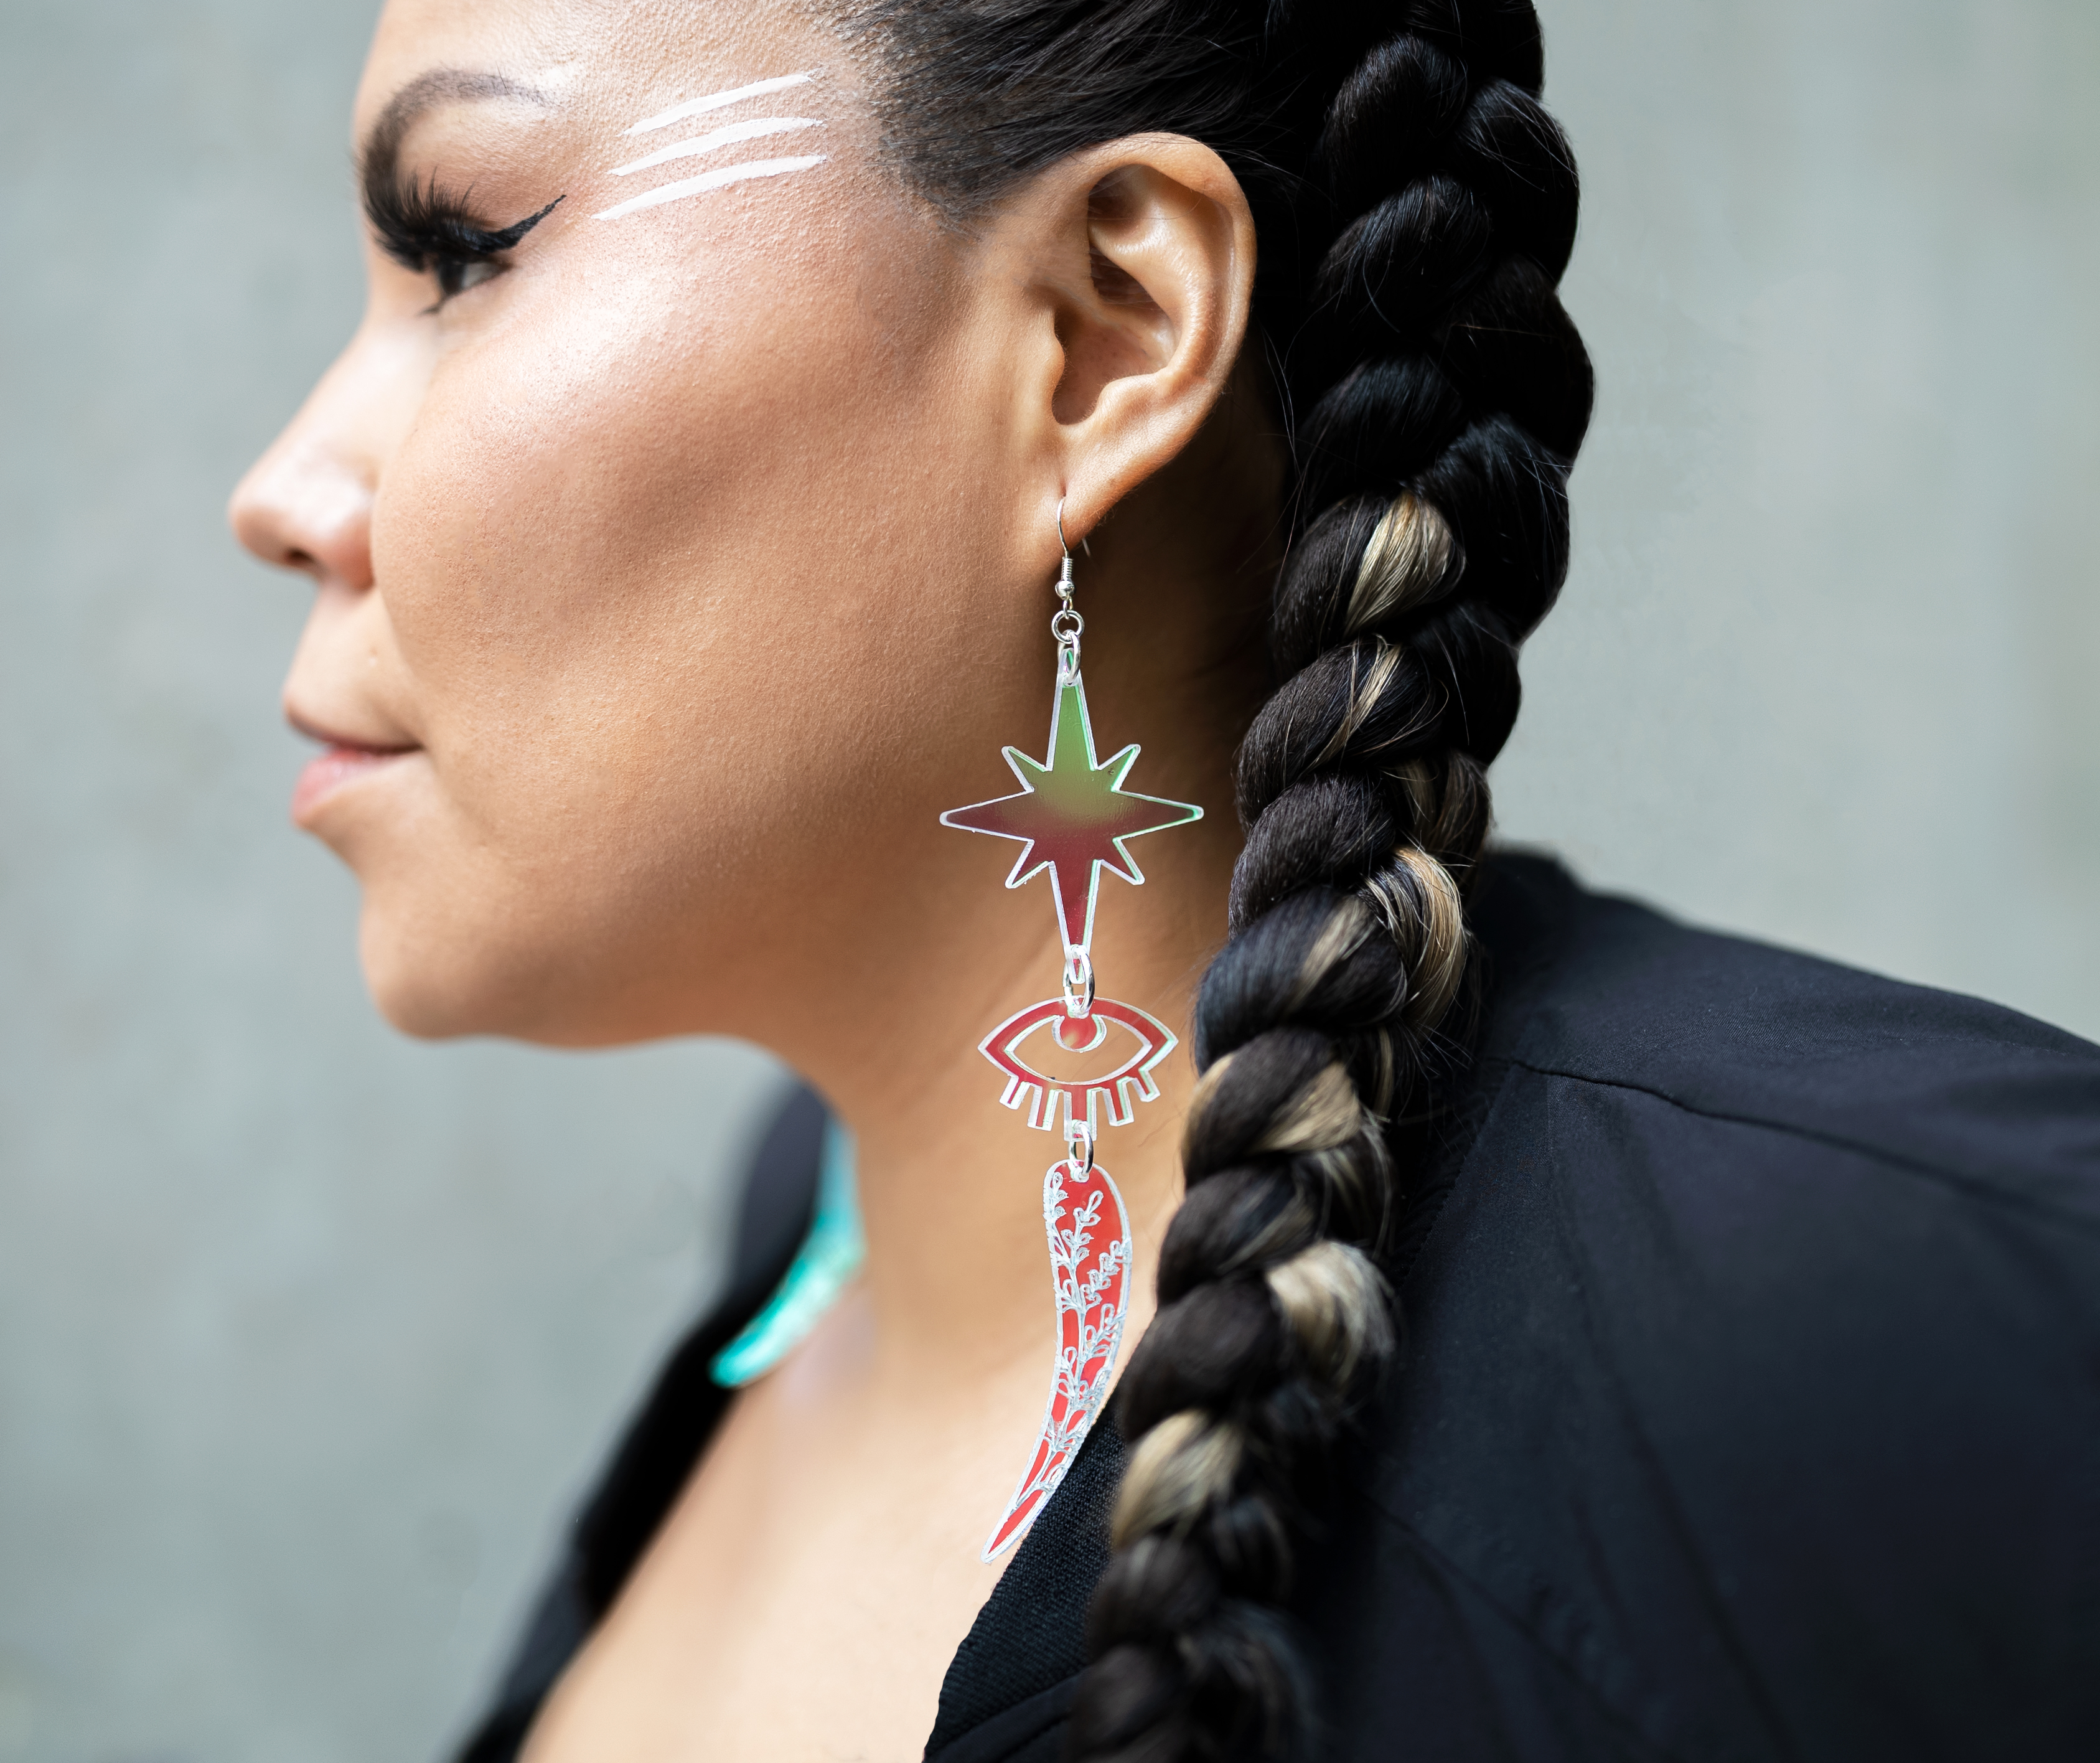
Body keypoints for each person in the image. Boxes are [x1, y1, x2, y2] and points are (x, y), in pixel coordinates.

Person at [227, 0, 2100, 1757]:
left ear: (1101, 331)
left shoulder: (1876, 1290)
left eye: (468, 252)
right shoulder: (818, 1226)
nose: (286, 487)